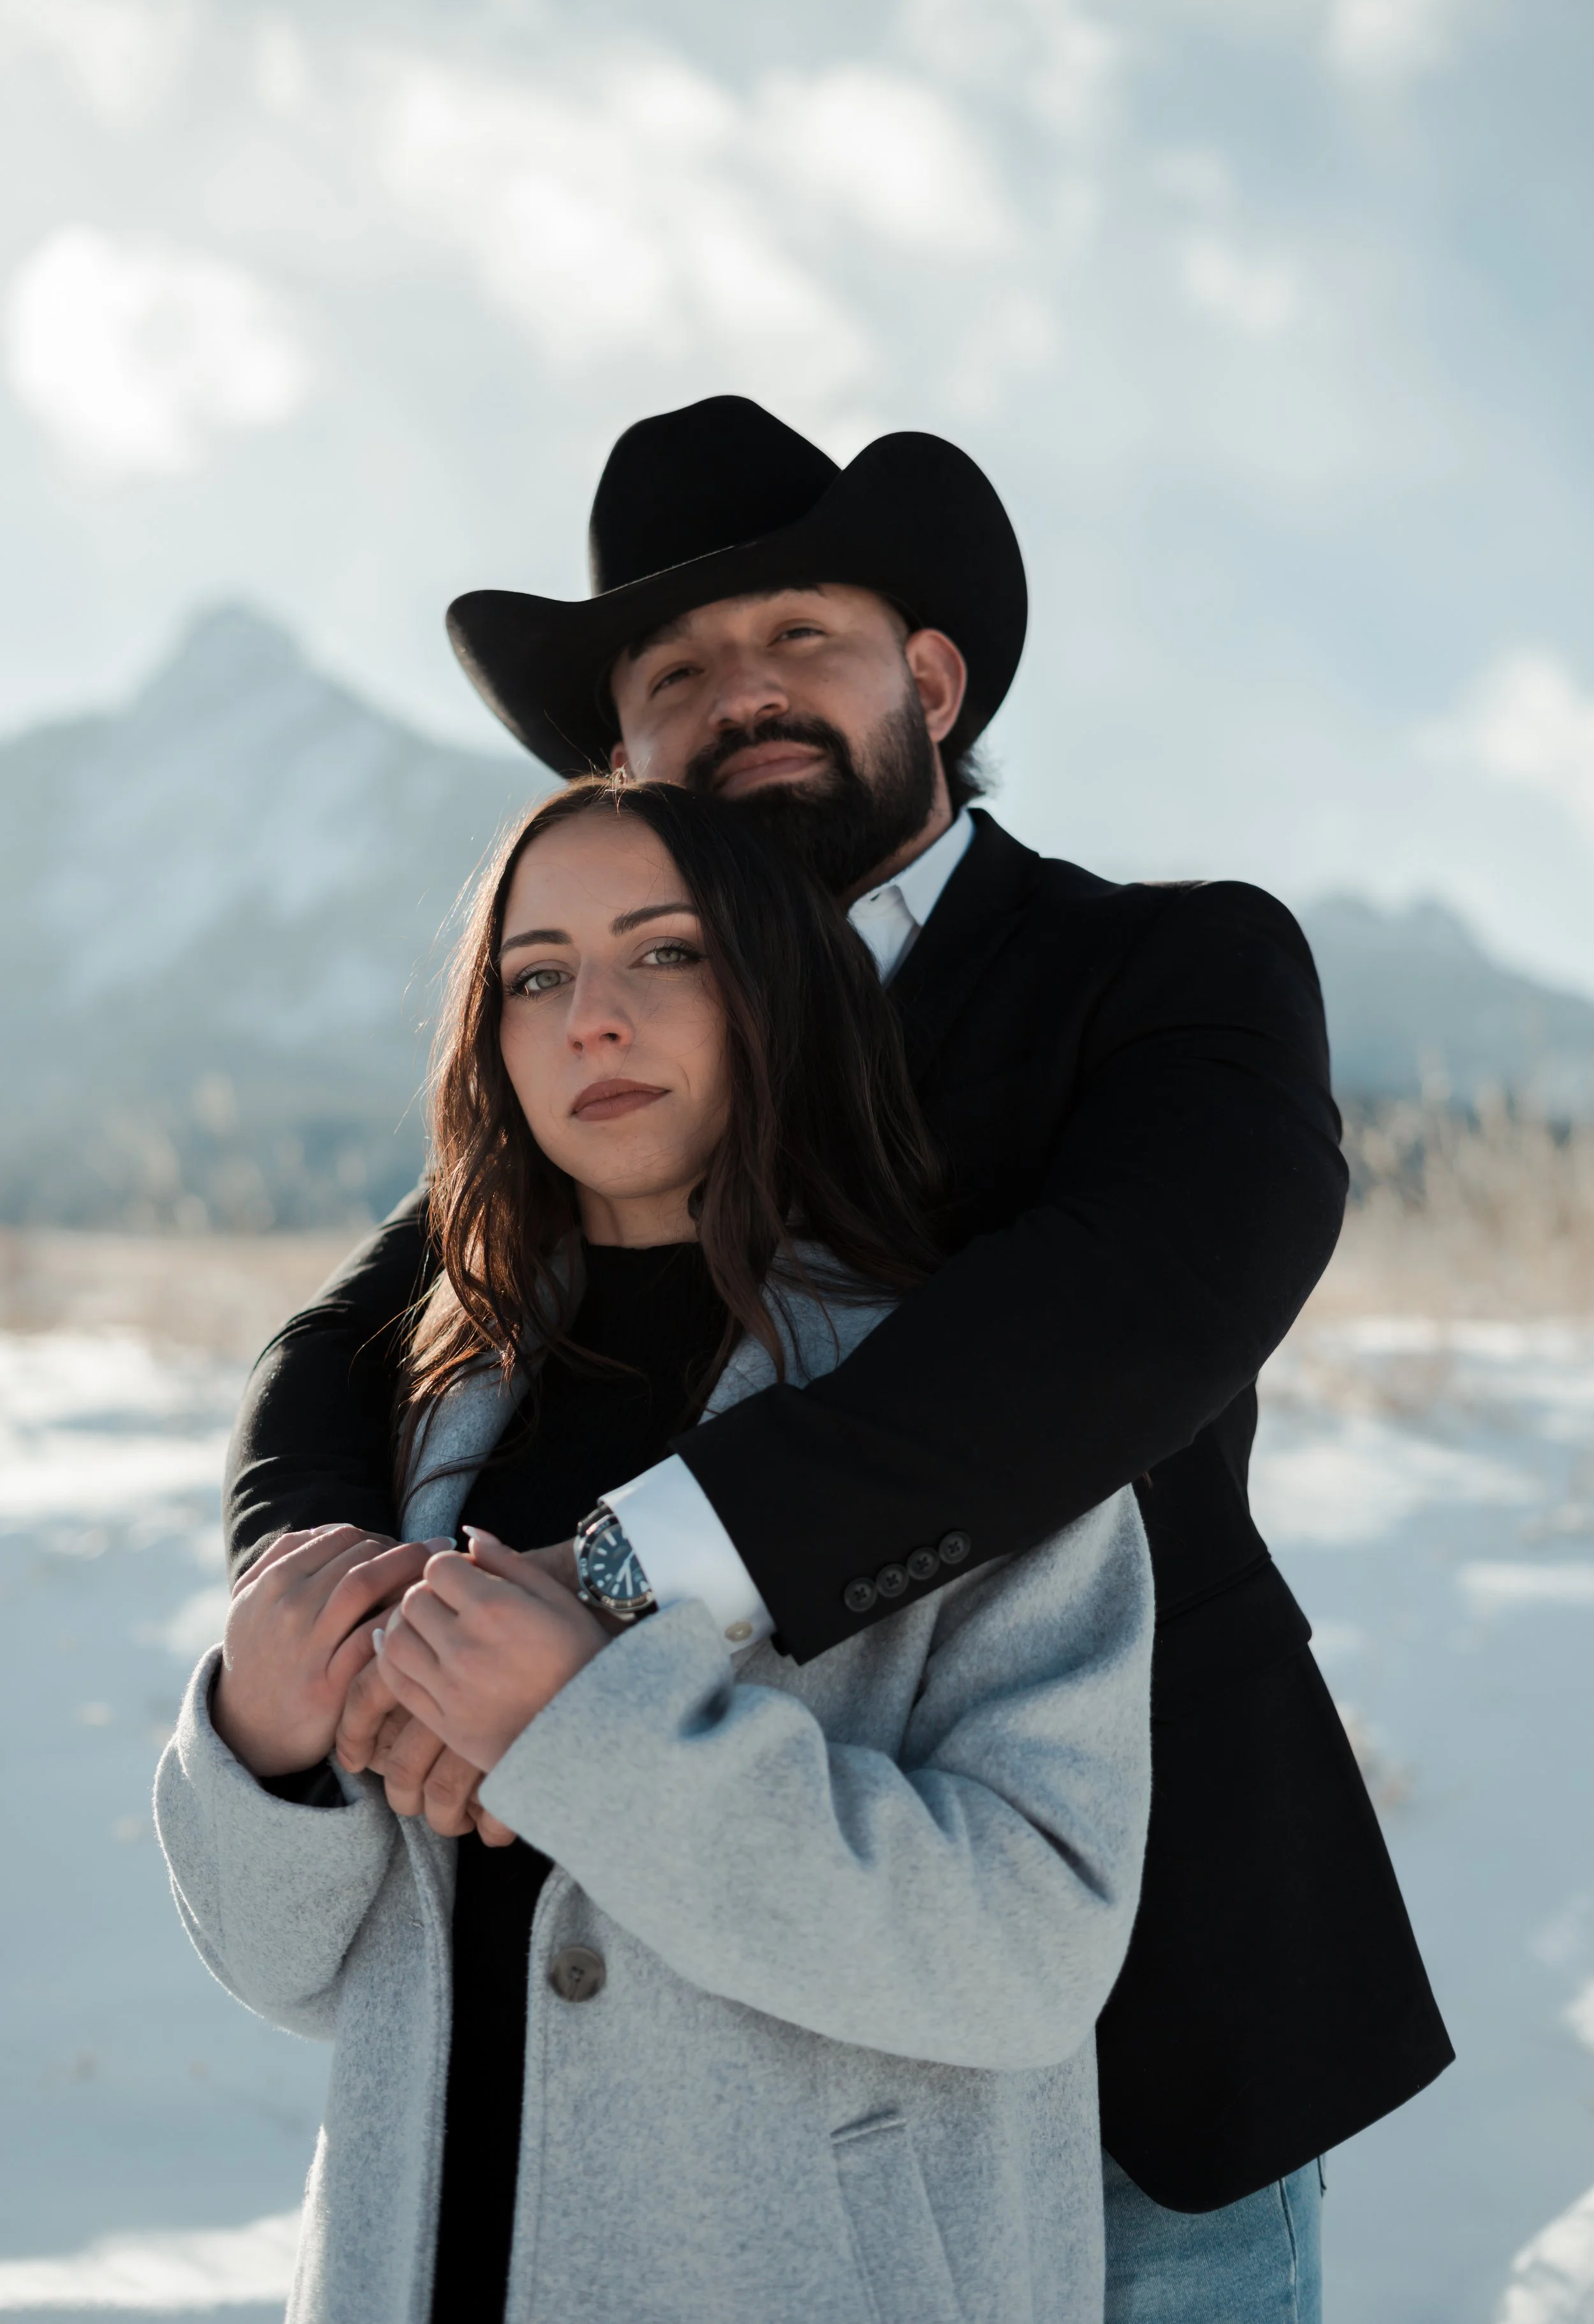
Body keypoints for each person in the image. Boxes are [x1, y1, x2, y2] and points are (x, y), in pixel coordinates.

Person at [224, 397, 1454, 2321]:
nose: (745, 697)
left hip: (1147, 2008)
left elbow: (1110, 1323)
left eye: (802, 636)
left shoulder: (1171, 970)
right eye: (679, 672)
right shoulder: (622, 1051)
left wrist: (610, 1582)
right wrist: (327, 1611)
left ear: (934, 678)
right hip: (720, 2076)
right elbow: (355, 1337)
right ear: (621, 755)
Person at [157, 778, 1153, 2324]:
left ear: (781, 986)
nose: (592, 1021)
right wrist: (262, 1751)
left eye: (664, 954)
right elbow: (297, 1976)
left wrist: (594, 1736)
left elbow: (1027, 1949)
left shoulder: (960, 1405)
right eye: (537, 975)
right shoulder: (425, 1406)